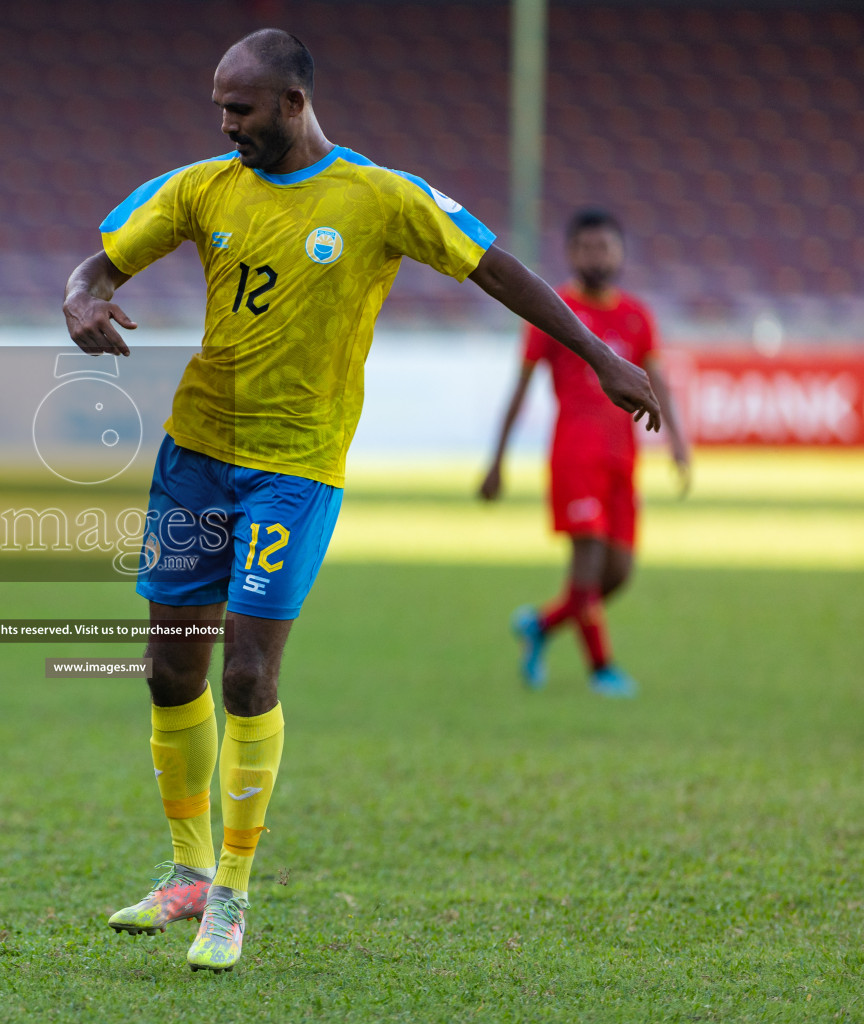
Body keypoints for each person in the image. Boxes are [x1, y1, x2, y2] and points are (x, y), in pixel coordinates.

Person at [62, 30, 662, 973]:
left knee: (249, 677)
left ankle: (231, 893)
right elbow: (97, 261)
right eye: (220, 106)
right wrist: (84, 298)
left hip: (294, 471)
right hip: (195, 455)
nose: (225, 124)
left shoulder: (381, 197)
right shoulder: (202, 186)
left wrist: (600, 357)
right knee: (169, 672)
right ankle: (182, 871)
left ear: (295, 103)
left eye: (241, 109)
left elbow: (498, 268)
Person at [479, 209, 689, 698]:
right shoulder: (553, 312)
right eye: (586, 248)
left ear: (619, 253)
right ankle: (602, 668)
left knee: (617, 573)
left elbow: (658, 381)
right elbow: (521, 387)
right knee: (588, 565)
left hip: (623, 459)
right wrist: (497, 460)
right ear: (571, 253)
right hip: (574, 455)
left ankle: (541, 625)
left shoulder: (637, 315)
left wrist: (678, 441)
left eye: (605, 247)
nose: (596, 257)